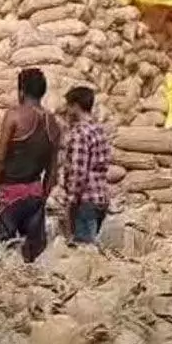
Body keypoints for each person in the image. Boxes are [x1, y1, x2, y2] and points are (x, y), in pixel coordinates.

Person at [0, 68, 61, 262]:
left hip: (9, 196)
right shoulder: (53, 124)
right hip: (35, 195)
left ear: (21, 91)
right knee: (32, 260)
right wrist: (42, 199)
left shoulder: (14, 116)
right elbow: (53, 171)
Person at [60, 86, 112, 245]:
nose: (67, 111)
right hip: (100, 198)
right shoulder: (99, 130)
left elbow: (78, 173)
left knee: (83, 253)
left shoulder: (80, 133)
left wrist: (70, 203)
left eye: (68, 106)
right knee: (92, 251)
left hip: (85, 201)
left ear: (76, 106)